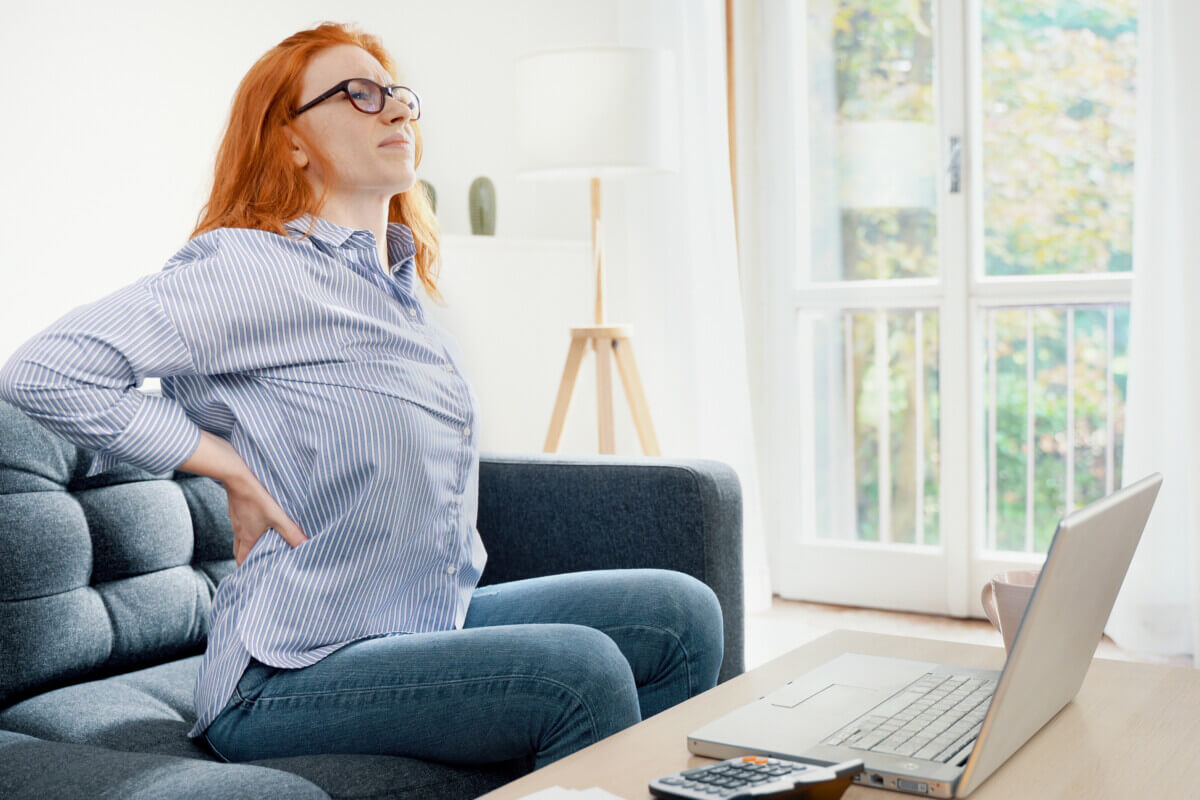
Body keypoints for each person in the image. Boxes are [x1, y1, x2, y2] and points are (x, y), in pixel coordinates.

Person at [0, 21, 723, 770]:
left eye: (400, 96)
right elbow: (46, 371)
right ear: (290, 141)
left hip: (418, 625)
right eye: (360, 94)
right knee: (579, 673)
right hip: (286, 672)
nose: (398, 111)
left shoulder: (403, 288)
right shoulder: (250, 267)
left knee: (679, 614)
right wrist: (222, 461)